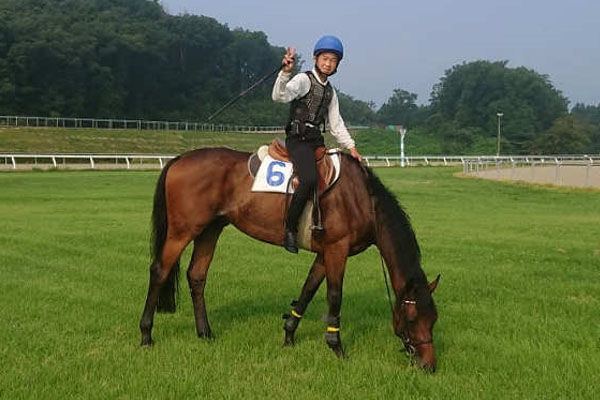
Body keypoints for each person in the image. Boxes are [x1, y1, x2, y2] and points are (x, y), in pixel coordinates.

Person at [272, 35, 363, 253]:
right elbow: (280, 96)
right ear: (315, 58)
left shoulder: (331, 92)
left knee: (335, 179)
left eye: (333, 60)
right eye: (325, 58)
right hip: (298, 140)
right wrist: (285, 73)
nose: (328, 63)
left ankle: (322, 224)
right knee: (309, 179)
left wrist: (352, 148)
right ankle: (290, 230)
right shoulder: (303, 80)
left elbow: (336, 124)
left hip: (316, 141)